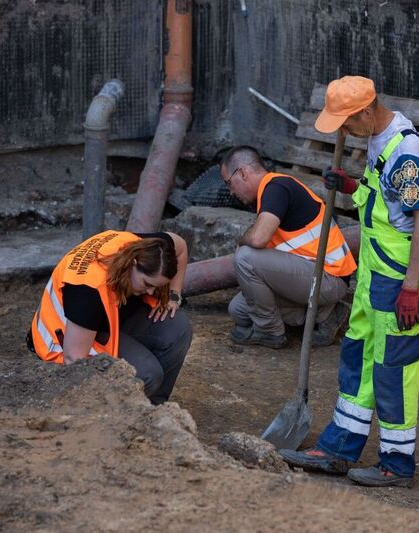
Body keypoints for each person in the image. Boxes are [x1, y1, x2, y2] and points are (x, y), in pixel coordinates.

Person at [279, 76, 419, 488]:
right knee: (359, 354)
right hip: (372, 271)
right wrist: (348, 185)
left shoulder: (407, 153)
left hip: (397, 275)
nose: (344, 132)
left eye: (346, 123)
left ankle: (397, 465)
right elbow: (384, 195)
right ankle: (340, 446)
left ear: (366, 111)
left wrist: (410, 287)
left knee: (393, 367)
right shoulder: (376, 139)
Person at [27, 229, 192, 405]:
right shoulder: (88, 291)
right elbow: (74, 359)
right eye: (147, 284)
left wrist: (174, 295)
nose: (152, 292)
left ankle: (155, 408)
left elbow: (180, 248)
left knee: (178, 327)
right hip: (67, 337)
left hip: (111, 314)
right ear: (133, 263)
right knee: (146, 374)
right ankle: (119, 417)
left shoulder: (149, 249)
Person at [220, 146, 357, 349]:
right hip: (311, 276)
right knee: (238, 309)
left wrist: (243, 239)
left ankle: (269, 331)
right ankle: (327, 314)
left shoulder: (276, 187)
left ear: (242, 173)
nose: (231, 192)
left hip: (329, 278)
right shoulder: (270, 192)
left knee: (245, 257)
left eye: (229, 183)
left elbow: (258, 238)